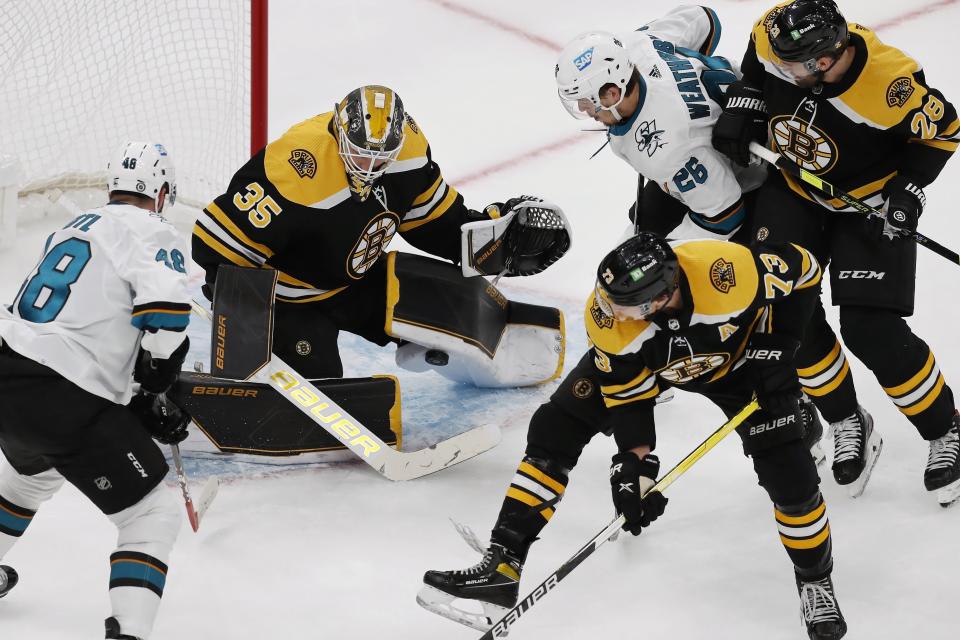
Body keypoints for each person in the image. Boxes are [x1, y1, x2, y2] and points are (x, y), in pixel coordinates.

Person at [420, 233, 848, 640]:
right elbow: (627, 394)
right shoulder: (610, 319)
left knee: (792, 483)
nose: (611, 311)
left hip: (745, 367)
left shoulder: (727, 272)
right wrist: (634, 464)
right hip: (654, 363)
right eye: (609, 299)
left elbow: (806, 269)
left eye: (624, 305)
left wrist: (785, 341)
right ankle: (503, 564)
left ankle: (815, 581)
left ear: (661, 297)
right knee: (557, 426)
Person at [553, 5, 849, 463]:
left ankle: (840, 415)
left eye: (592, 101)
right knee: (636, 247)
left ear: (615, 88)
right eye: (580, 105)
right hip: (711, 158)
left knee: (784, 314)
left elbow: (724, 217)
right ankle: (648, 362)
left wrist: (659, 260)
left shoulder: (666, 147)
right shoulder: (635, 45)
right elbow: (704, 19)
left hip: (752, 181)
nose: (588, 112)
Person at [712, 0, 960, 504]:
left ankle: (945, 428)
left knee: (873, 331)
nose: (782, 70)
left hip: (866, 203)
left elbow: (946, 130)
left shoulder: (889, 85)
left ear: (826, 59)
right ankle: (848, 419)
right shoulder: (777, 31)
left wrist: (910, 189)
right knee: (786, 317)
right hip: (795, 191)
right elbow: (758, 63)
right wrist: (746, 98)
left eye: (793, 69)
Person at [191, 85, 570, 388]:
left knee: (454, 300)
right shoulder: (297, 165)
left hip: (355, 281)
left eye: (380, 157)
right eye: (359, 155)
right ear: (339, 132)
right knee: (321, 390)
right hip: (288, 301)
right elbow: (215, 245)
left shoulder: (410, 153)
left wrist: (493, 237)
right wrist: (240, 323)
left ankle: (497, 361)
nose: (370, 167)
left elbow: (435, 222)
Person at [0, 142, 192, 639]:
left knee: (29, 480)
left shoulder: (74, 225)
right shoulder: (152, 229)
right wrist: (156, 386)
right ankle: (128, 632)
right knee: (152, 512)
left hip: (9, 369)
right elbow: (167, 316)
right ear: (163, 193)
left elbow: (85, 322)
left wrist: (137, 397)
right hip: (61, 389)